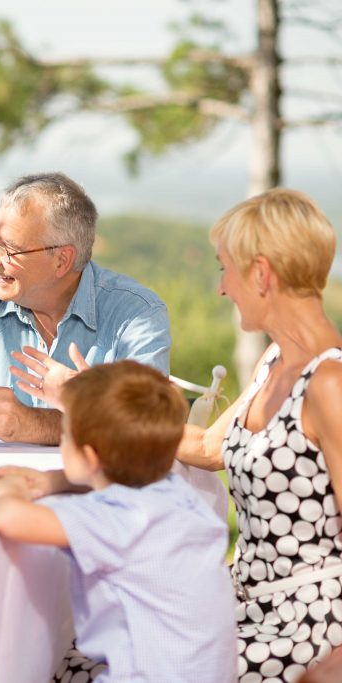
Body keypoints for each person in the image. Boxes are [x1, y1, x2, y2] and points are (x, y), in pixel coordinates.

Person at [175, 189, 342, 681]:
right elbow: (208, 449)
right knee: (91, 650)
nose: (222, 287)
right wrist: (98, 403)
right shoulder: (275, 361)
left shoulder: (330, 383)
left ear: (262, 274)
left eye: (224, 268)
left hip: (307, 629)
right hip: (247, 607)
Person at [0, 360, 235, 681]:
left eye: (65, 436)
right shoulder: (175, 493)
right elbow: (99, 479)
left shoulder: (116, 516)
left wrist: (8, 487)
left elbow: (11, 519)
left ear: (89, 458)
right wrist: (53, 481)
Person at [0, 173, 170, 445]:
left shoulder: (136, 314)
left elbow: (148, 430)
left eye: (8, 249)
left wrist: (32, 423)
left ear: (62, 260)